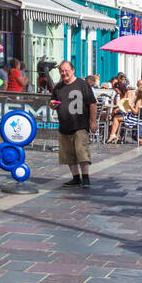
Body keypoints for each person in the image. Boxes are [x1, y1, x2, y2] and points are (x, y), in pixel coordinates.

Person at [51, 61, 96, 189]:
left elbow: (92, 104)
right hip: (64, 125)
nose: (64, 73)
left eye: (66, 70)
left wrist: (93, 121)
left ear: (73, 70)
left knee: (82, 152)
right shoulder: (58, 87)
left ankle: (86, 178)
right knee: (68, 154)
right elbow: (52, 101)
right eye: (61, 71)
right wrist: (52, 104)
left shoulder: (82, 85)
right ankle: (76, 178)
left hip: (80, 125)